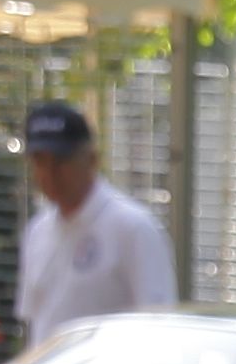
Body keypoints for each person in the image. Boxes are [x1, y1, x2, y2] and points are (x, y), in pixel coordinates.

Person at [13, 103, 175, 342]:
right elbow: (36, 324)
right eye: (40, 161)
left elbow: (160, 325)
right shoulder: (37, 232)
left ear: (91, 159)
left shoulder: (133, 228)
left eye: (60, 161)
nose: (49, 173)